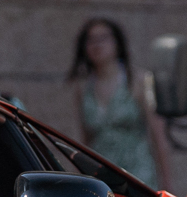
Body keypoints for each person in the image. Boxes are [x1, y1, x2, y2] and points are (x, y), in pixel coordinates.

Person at [69, 17, 171, 186]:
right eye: (91, 40)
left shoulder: (138, 81)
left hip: (138, 174)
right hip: (101, 177)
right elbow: (83, 141)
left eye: (103, 38)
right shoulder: (84, 88)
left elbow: (158, 135)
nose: (97, 45)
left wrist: (167, 183)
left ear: (117, 43)